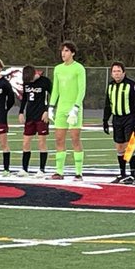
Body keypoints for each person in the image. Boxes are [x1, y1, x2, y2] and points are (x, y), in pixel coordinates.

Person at [49, 41, 86, 180]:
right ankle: (59, 171)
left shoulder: (79, 68)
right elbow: (56, 90)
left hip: (74, 109)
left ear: (72, 53)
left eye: (66, 51)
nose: (63, 54)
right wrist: (51, 106)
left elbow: (82, 90)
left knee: (75, 139)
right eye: (62, 51)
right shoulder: (58, 69)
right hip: (61, 108)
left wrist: (76, 108)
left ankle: (78, 172)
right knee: (59, 139)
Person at [103, 62, 135, 183]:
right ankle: (122, 173)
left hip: (129, 118)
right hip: (117, 119)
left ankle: (132, 175)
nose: (116, 73)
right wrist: (105, 120)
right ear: (111, 73)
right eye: (114, 71)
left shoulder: (132, 85)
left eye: (119, 71)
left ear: (124, 72)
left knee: (129, 146)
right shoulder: (110, 86)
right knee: (119, 146)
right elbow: (107, 104)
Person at [18, 64, 51, 176]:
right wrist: (21, 112)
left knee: (42, 142)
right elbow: (24, 99)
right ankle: (24, 168)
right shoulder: (26, 82)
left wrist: (47, 111)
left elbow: (53, 96)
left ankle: (42, 169)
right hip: (30, 116)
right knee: (25, 142)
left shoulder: (45, 81)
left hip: (42, 115)